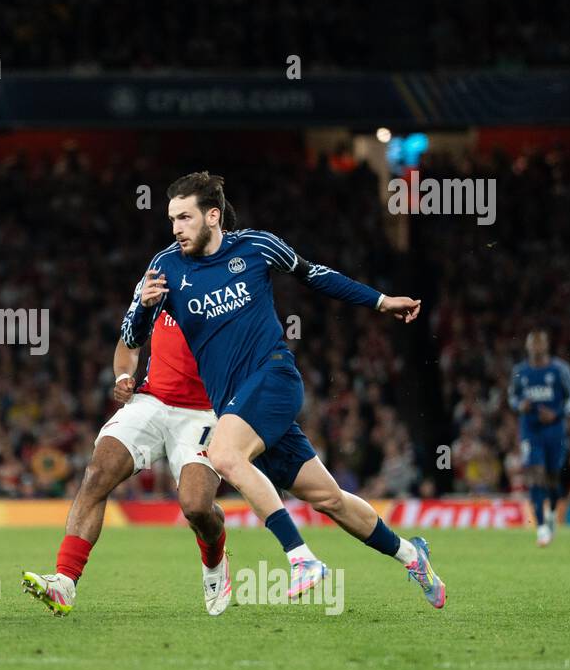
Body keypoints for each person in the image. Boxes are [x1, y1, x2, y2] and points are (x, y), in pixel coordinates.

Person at [123, 172, 446, 609]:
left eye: (185, 217)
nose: (176, 228)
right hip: (237, 405)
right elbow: (132, 335)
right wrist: (143, 308)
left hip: (273, 377)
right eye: (171, 219)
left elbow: (316, 275)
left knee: (224, 455)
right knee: (328, 497)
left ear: (213, 216)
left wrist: (381, 301)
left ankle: (301, 558)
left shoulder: (256, 247)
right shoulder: (165, 267)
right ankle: (412, 554)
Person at [21, 312, 230, 617]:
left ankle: (215, 557)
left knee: (197, 508)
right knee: (97, 473)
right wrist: (122, 376)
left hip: (204, 412)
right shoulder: (157, 282)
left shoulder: (233, 285)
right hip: (151, 402)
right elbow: (128, 342)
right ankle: (64, 582)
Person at [508, 329, 570, 546]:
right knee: (535, 474)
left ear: (546, 346)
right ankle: (540, 527)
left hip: (555, 431)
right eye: (533, 344)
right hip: (531, 431)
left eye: (540, 344)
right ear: (528, 347)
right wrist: (521, 405)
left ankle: (550, 514)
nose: (537, 348)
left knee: (552, 477)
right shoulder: (520, 371)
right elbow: (512, 396)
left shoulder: (560, 369)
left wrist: (557, 413)